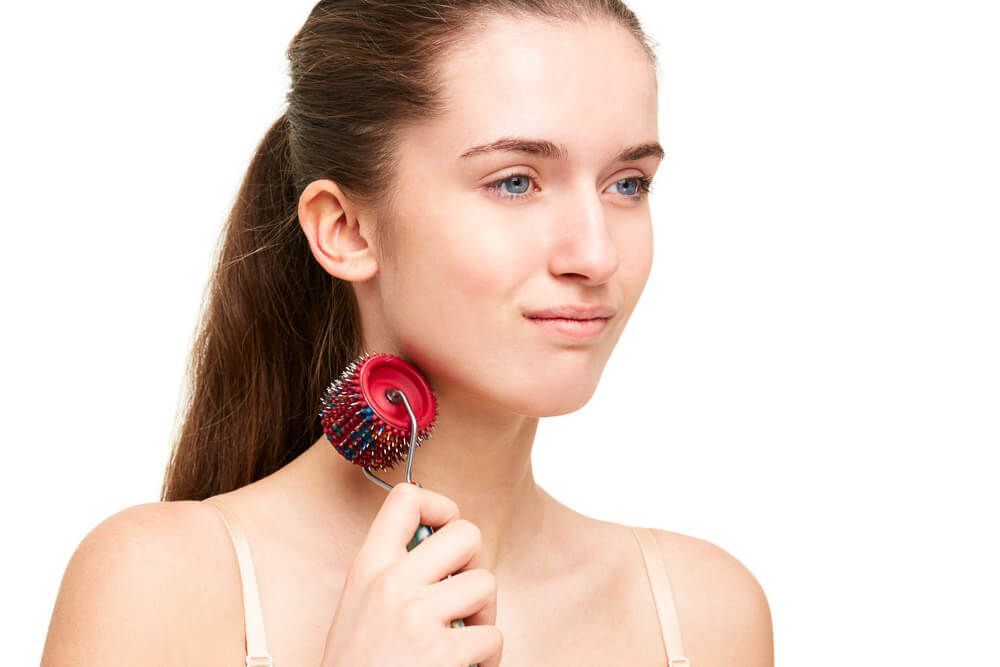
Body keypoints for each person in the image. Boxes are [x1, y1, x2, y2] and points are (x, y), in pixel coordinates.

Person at [41, 2, 773, 665]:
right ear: (346, 229)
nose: (597, 254)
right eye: (515, 181)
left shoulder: (703, 614)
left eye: (627, 184)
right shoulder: (159, 586)